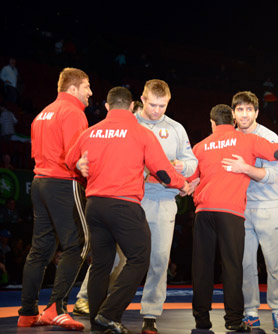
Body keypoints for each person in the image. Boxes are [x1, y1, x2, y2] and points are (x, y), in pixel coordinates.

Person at [65, 86, 189, 334]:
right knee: (140, 258)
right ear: (132, 106)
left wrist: (80, 166)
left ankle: (99, 321)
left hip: (95, 205)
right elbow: (162, 171)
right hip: (124, 205)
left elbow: (69, 160)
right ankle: (110, 313)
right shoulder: (139, 132)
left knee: (101, 264)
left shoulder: (92, 131)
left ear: (108, 107)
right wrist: (182, 183)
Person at [188, 104, 278, 332]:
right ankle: (233, 321)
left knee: (201, 268)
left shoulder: (200, 146)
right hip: (230, 212)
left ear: (212, 123)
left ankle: (201, 320)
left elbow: (190, 182)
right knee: (233, 266)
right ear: (233, 121)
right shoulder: (247, 139)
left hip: (203, 212)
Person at [17, 67, 91, 330]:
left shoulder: (41, 114)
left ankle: (27, 313)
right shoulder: (73, 112)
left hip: (40, 183)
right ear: (72, 88)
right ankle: (56, 308)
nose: (90, 93)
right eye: (87, 87)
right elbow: (75, 157)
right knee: (79, 245)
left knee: (40, 250)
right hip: (63, 182)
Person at [220, 91, 278, 330]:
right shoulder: (228, 137)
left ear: (257, 112)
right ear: (233, 113)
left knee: (275, 263)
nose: (244, 114)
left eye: (249, 109)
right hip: (240, 208)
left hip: (269, 206)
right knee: (245, 263)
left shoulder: (269, 137)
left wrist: (245, 168)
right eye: (240, 109)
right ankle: (250, 310)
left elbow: (273, 176)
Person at [136, 79, 198, 334]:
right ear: (142, 99)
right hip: (133, 199)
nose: (157, 110)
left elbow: (192, 162)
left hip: (163, 200)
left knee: (160, 259)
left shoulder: (175, 128)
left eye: (162, 105)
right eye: (152, 104)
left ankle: (150, 313)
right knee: (117, 257)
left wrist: (182, 166)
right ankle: (102, 304)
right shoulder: (130, 124)